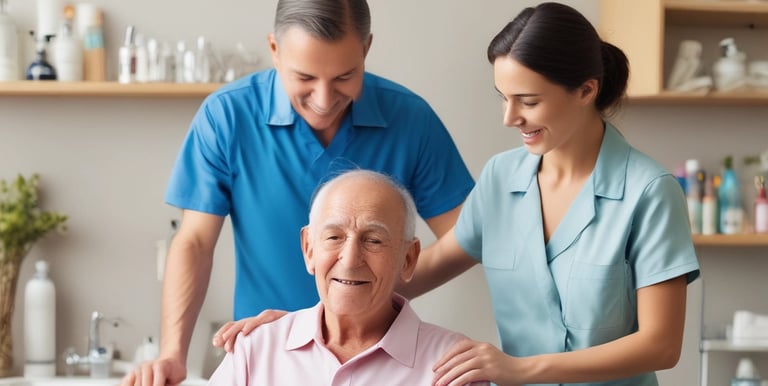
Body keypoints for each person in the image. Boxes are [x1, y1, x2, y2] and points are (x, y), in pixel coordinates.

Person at [120, 0, 473, 385]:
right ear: (274, 49)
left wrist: (358, 293)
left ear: (367, 49)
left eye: (344, 77)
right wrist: (174, 353)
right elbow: (195, 243)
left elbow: (468, 236)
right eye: (304, 77)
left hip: (380, 355)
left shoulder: (411, 119)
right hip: (268, 358)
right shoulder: (227, 115)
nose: (323, 99)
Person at [407, 3, 699, 386]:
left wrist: (522, 369)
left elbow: (662, 345)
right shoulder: (500, 178)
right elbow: (423, 272)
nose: (509, 118)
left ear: (586, 90)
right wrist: (341, 286)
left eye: (528, 102)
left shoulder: (649, 193)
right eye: (504, 97)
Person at [207, 170, 487, 385]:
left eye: (374, 240)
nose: (350, 259)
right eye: (333, 237)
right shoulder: (255, 349)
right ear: (309, 249)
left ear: (408, 258)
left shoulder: (455, 366)